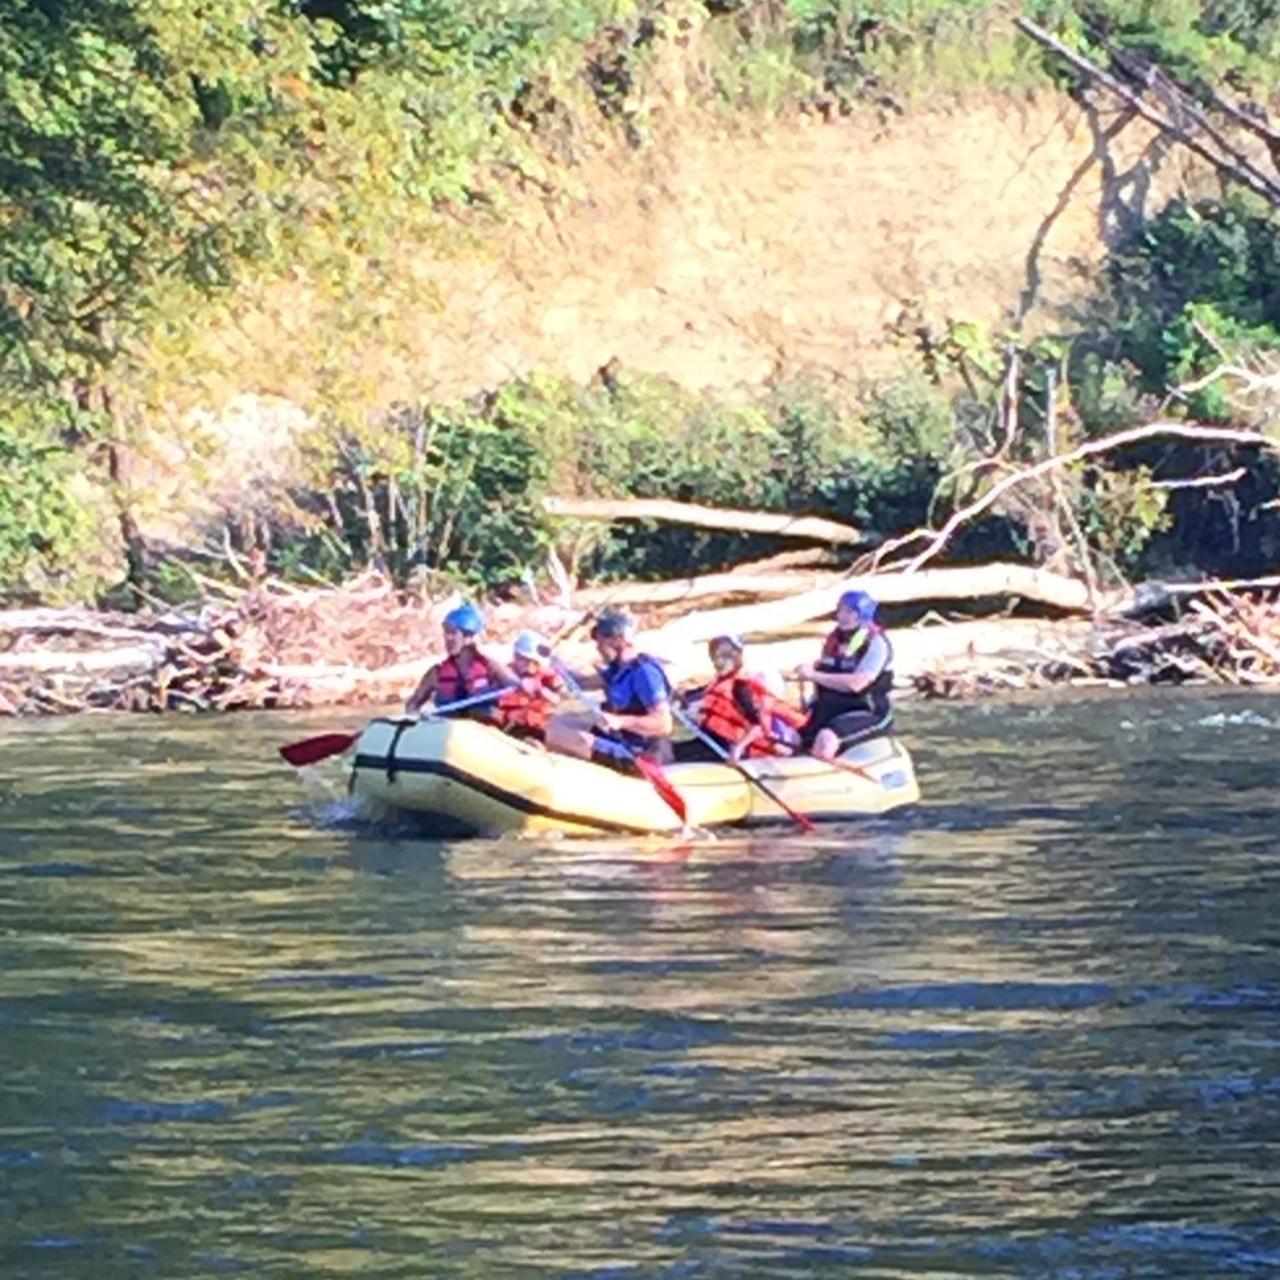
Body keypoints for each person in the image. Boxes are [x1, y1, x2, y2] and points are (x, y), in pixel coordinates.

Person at [544, 608, 673, 773]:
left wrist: (620, 721)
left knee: (557, 734)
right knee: (561, 721)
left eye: (600, 643)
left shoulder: (645, 673)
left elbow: (664, 724)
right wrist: (556, 667)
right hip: (621, 740)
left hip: (641, 752)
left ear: (617, 641)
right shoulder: (618, 670)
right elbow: (582, 682)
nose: (598, 649)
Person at [794, 588, 894, 760]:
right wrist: (810, 668)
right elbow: (828, 665)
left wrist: (813, 675)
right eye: (840, 610)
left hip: (866, 712)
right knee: (790, 737)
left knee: (826, 740)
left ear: (862, 615)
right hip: (830, 709)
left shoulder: (876, 644)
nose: (842, 616)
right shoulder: (835, 639)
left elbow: (856, 683)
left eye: (849, 611)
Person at [674, 634, 806, 762]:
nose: (718, 662)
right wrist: (679, 696)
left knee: (674, 753)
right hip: (713, 741)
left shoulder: (741, 687)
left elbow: (758, 726)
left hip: (731, 748)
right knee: (672, 748)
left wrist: (738, 748)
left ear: (735, 658)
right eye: (714, 657)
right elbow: (696, 695)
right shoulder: (720, 681)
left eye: (723, 657)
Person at [404, 601, 514, 717]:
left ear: (468, 637)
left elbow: (517, 687)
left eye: (453, 633)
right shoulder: (436, 674)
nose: (447, 638)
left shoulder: (490, 667)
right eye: (446, 633)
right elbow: (412, 706)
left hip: (483, 728)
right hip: (449, 728)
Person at [494, 630, 564, 741]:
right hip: (510, 726)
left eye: (535, 663)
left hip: (536, 727)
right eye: (526, 661)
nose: (530, 666)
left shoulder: (546, 676)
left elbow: (557, 699)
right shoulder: (506, 674)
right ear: (516, 656)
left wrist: (539, 689)